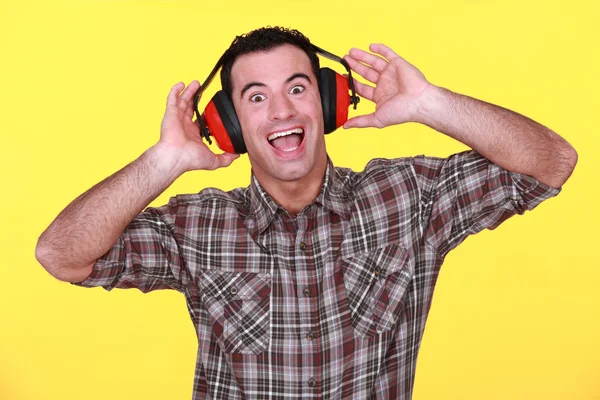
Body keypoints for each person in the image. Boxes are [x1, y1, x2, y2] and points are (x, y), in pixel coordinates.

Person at [35, 26, 577, 399]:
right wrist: (164, 160)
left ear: (327, 102)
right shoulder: (196, 228)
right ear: (229, 126)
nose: (282, 111)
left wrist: (429, 103)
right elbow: (61, 254)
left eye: (297, 88)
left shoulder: (409, 197)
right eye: (255, 98)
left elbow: (551, 164)